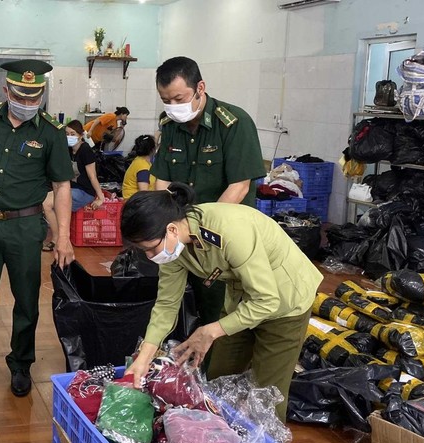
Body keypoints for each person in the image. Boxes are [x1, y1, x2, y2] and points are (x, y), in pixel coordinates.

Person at [120, 184, 322, 421]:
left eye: (149, 248)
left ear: (172, 229)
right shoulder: (175, 247)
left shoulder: (229, 232)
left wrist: (211, 330)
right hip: (241, 301)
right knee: (217, 384)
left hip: (285, 302)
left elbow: (266, 300)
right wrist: (144, 359)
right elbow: (166, 305)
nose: (150, 256)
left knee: (267, 397)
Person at [0, 59, 75, 397]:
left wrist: (63, 237)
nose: (27, 103)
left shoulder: (50, 132)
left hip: (25, 227)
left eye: (34, 96)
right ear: (6, 90)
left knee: (26, 301)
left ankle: (21, 364)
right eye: (20, 96)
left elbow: (62, 186)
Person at [151, 56, 266, 368]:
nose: (173, 106)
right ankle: (183, 373)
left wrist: (197, 233)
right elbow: (161, 182)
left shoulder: (234, 123)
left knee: (218, 313)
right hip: (180, 237)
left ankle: (216, 381)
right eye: (166, 100)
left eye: (179, 98)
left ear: (200, 88)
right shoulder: (169, 126)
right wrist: (159, 228)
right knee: (171, 302)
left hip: (219, 242)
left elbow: (239, 188)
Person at [41, 119, 105, 251]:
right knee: (45, 200)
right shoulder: (69, 150)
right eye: (66, 133)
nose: (69, 136)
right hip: (71, 188)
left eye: (72, 133)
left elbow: (93, 176)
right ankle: (58, 236)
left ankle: (57, 238)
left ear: (81, 135)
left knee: (47, 204)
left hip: (84, 192)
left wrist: (100, 197)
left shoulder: (85, 150)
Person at [122, 134, 157, 200]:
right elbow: (144, 193)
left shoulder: (138, 160)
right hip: (135, 204)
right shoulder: (143, 167)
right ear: (153, 150)